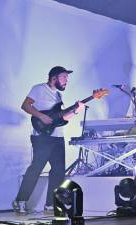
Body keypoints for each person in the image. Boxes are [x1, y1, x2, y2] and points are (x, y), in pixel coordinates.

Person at [12, 66, 84, 213]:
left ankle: (50, 204)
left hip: (57, 137)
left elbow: (62, 118)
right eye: (64, 77)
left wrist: (77, 109)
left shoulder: (59, 96)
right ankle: (20, 201)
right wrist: (40, 116)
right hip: (42, 137)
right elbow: (25, 105)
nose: (66, 81)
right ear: (54, 78)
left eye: (67, 78)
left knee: (58, 171)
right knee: (36, 168)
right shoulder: (39, 89)